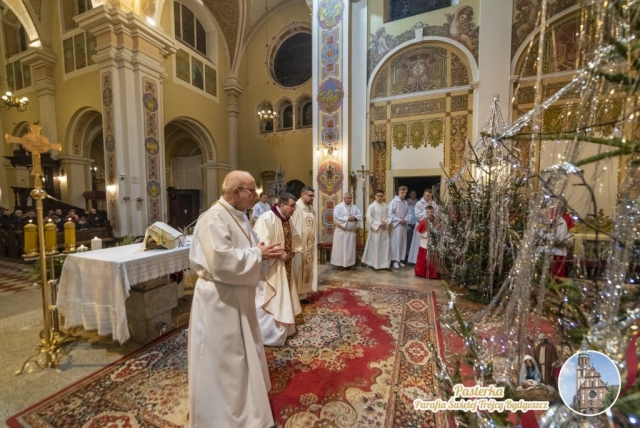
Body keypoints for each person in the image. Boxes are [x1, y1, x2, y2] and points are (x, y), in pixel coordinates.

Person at [188, 170, 284, 428]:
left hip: (238, 295)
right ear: (235, 191)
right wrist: (258, 254)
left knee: (242, 353)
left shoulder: (240, 217)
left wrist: (265, 253)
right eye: (251, 191)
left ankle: (247, 406)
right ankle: (220, 415)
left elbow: (253, 248)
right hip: (219, 299)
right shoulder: (213, 219)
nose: (256, 195)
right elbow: (222, 262)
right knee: (224, 358)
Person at [254, 193, 302, 346]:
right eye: (292, 206)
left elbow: (294, 235)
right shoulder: (266, 219)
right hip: (271, 266)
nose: (294, 209)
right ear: (282, 205)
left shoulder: (286, 219)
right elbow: (262, 243)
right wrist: (280, 253)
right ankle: (268, 334)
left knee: (283, 294)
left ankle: (284, 328)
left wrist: (293, 249)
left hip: (284, 264)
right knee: (271, 295)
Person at [291, 186, 317, 302]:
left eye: (313, 196)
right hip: (299, 246)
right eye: (310, 196)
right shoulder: (296, 208)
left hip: (310, 245)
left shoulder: (311, 210)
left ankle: (303, 294)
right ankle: (295, 295)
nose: (312, 198)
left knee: (307, 270)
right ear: (303, 195)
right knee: (298, 269)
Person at [331, 193, 362, 270]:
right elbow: (336, 218)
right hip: (342, 232)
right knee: (340, 250)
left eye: (351, 198)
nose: (350, 199)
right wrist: (347, 218)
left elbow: (359, 215)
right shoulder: (338, 207)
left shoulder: (354, 207)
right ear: (344, 198)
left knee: (350, 250)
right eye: (348, 198)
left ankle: (349, 264)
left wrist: (354, 217)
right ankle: (340, 265)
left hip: (351, 233)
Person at [408, 189, 439, 264]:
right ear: (424, 195)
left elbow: (437, 213)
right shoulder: (419, 203)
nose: (429, 197)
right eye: (428, 195)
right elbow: (418, 216)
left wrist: (432, 215)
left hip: (430, 226)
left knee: (428, 244)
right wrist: (427, 211)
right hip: (421, 226)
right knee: (418, 244)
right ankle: (416, 260)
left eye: (431, 196)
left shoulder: (434, 203)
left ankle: (427, 261)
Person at [361, 189, 391, 270]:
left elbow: (389, 216)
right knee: (376, 248)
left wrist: (385, 221)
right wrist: (379, 223)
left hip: (384, 230)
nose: (380, 197)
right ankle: (376, 265)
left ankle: (385, 265)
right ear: (375, 196)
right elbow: (369, 219)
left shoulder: (385, 206)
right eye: (378, 196)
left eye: (381, 196)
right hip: (376, 231)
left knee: (385, 247)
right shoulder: (371, 206)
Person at [388, 186, 411, 269]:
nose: (404, 194)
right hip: (397, 226)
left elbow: (409, 213)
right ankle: (395, 260)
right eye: (402, 192)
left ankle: (400, 259)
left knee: (402, 242)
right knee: (396, 243)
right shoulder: (393, 202)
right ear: (398, 192)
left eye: (405, 193)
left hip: (403, 225)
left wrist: (406, 219)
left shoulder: (405, 202)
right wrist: (398, 220)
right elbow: (390, 214)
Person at [415, 206, 439, 279]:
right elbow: (418, 231)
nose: (431, 214)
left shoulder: (434, 221)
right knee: (424, 257)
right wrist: (428, 233)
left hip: (433, 242)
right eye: (429, 212)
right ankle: (421, 272)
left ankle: (432, 274)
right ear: (426, 212)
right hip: (425, 242)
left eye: (432, 212)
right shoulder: (423, 221)